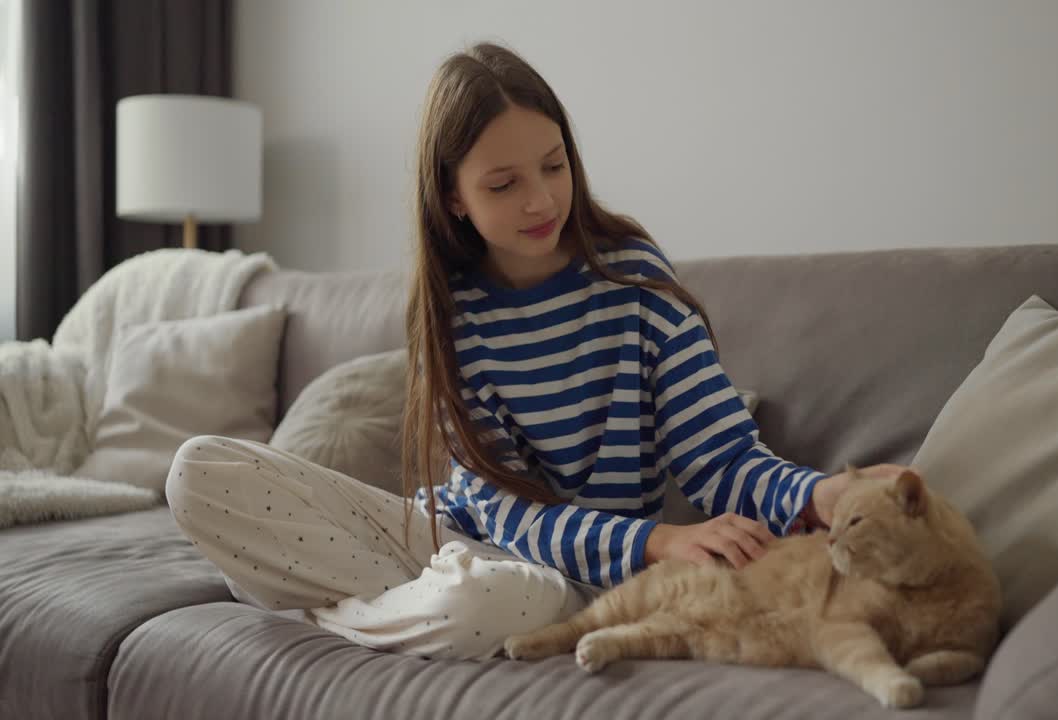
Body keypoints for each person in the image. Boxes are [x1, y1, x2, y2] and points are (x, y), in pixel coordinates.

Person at [166, 41, 910, 661]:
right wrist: (661, 541)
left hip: (557, 578)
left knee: (481, 603)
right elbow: (502, 512)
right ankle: (381, 601)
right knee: (199, 471)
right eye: (504, 183)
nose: (541, 201)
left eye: (554, 166)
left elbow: (722, 459)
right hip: (450, 538)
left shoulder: (633, 279)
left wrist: (818, 495)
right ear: (453, 197)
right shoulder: (449, 316)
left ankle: (321, 607)